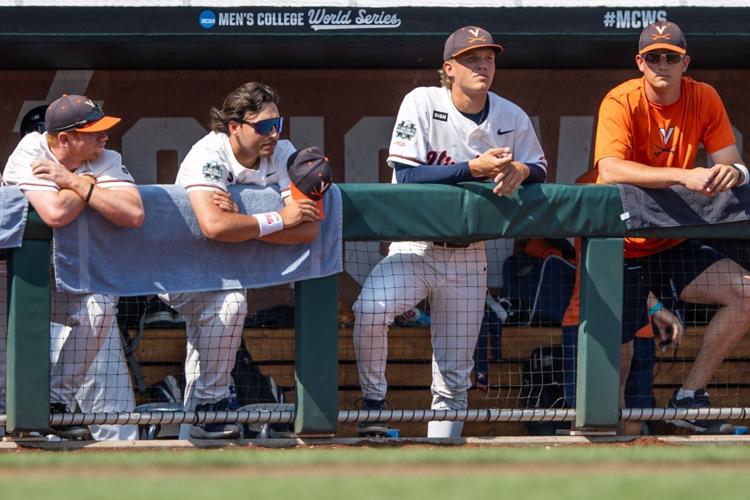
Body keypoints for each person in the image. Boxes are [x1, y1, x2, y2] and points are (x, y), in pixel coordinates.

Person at [353, 26, 547, 438]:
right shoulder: (422, 101)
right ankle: (373, 404)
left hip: (468, 255)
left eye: (489, 57)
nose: (482, 65)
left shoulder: (511, 116)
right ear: (449, 68)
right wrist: (471, 169)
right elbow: (405, 175)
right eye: (471, 58)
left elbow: (541, 168)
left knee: (455, 375)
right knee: (370, 309)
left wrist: (521, 170)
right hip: (415, 248)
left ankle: (442, 458)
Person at [594, 21, 750, 433]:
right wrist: (684, 176)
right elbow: (608, 170)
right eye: (654, 57)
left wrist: (729, 174)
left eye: (671, 57)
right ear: (639, 63)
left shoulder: (703, 96)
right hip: (622, 246)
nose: (662, 64)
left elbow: (732, 161)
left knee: (746, 293)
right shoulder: (621, 99)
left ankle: (688, 398)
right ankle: (608, 430)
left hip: (671, 241)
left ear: (686, 63)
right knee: (622, 351)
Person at [159, 81, 320, 440]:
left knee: (209, 342)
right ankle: (211, 408)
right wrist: (277, 216)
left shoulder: (282, 151)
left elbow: (307, 230)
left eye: (279, 124)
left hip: (228, 269)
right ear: (234, 126)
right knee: (230, 304)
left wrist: (243, 218)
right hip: (184, 268)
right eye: (264, 127)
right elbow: (215, 226)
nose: (274, 134)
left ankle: (198, 426)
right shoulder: (208, 154)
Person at [1, 94, 144, 439]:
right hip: (10, 282)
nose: (104, 138)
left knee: (98, 309)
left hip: (65, 277)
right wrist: (93, 189)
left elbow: (133, 213)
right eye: (94, 132)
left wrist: (75, 181)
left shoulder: (105, 157)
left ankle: (55, 403)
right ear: (64, 138)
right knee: (5, 384)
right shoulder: (29, 152)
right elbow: (55, 215)